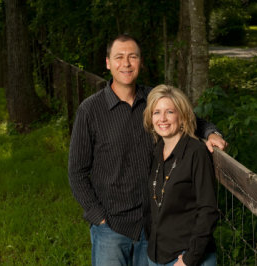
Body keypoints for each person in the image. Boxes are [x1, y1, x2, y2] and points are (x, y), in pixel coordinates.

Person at [68, 34, 225, 266]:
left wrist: (212, 133)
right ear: (108, 63)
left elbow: (190, 118)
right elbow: (77, 172)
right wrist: (97, 217)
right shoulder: (90, 110)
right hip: (111, 228)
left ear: (140, 62)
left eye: (133, 57)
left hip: (152, 229)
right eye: (119, 57)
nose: (126, 63)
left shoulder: (153, 100)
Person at [143, 84, 219, 266]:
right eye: (156, 112)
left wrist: (189, 259)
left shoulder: (196, 152)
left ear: (183, 116)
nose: (162, 119)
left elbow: (208, 210)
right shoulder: (157, 150)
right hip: (156, 255)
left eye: (170, 112)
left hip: (186, 258)